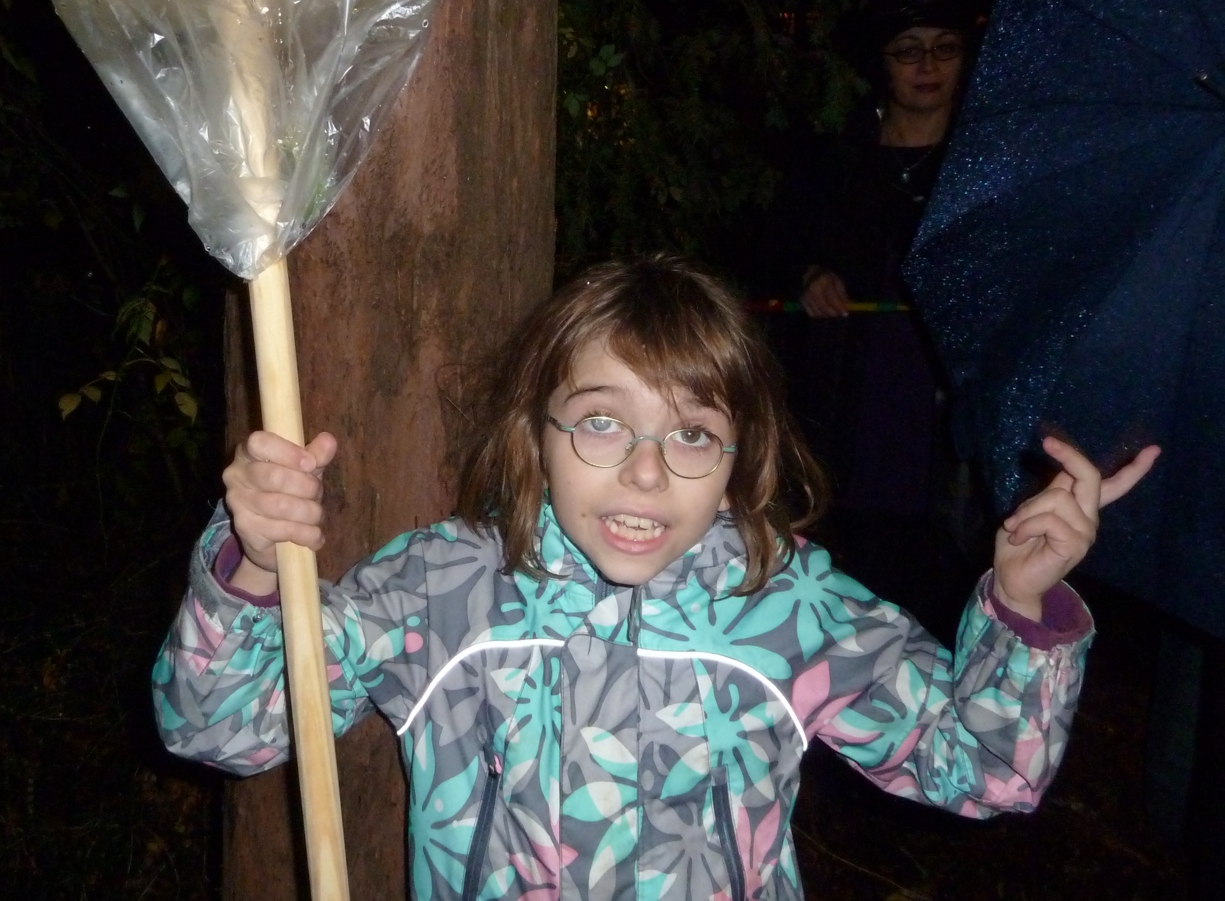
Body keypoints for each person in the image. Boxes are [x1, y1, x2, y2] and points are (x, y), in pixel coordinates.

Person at [153, 254, 1158, 901]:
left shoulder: (785, 604)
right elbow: (221, 728)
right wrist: (253, 563)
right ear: (535, 433)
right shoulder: (441, 589)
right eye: (601, 422)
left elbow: (986, 771)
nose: (644, 472)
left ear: (737, 457)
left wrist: (1019, 605)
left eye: (690, 434)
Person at [770, 0, 979, 634]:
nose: (927, 65)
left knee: (939, 579)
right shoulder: (834, 160)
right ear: (881, 64)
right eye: (908, 50)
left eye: (944, 48)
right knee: (843, 577)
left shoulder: (980, 163)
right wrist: (807, 275)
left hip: (942, 415)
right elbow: (773, 247)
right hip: (844, 405)